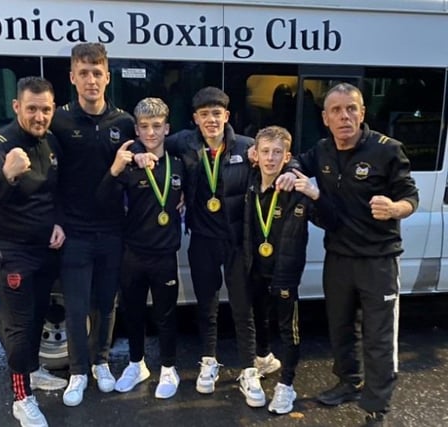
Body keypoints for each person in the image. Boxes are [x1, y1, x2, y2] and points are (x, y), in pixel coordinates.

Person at [134, 87, 294, 406]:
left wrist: (291, 173)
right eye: (204, 114)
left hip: (237, 243)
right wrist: (136, 153)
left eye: (216, 113)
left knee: (241, 306)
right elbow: (150, 139)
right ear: (195, 119)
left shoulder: (248, 147)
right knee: (206, 305)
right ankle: (209, 361)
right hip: (202, 240)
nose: (211, 120)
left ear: (227, 116)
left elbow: (281, 158)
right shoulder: (184, 142)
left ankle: (250, 369)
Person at [297, 83, 419, 426]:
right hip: (338, 257)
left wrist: (395, 207)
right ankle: (348, 383)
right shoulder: (320, 151)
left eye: (351, 108)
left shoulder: (387, 150)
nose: (344, 116)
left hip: (378, 260)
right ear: (325, 118)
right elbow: (295, 162)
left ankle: (377, 403)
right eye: (336, 110)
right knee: (339, 328)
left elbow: (411, 198)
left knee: (379, 336)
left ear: (362, 113)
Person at [0, 76, 67, 427]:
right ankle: (21, 398)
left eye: (45, 109)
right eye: (31, 109)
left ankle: (34, 370)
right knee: (20, 323)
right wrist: (6, 176)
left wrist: (57, 222)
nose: (39, 117)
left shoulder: (50, 140)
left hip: (42, 246)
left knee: (39, 311)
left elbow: (53, 194)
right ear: (16, 107)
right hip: (8, 249)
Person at [49, 42, 136, 407]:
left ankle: (101, 362)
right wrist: (55, 220)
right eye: (83, 73)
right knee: (77, 305)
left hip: (113, 230)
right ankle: (78, 372)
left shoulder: (124, 122)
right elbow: (48, 177)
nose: (91, 80)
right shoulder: (59, 120)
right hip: (75, 232)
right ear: (72, 77)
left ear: (107, 76)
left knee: (106, 301)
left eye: (97, 72)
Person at [238, 126, 337, 414]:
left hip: (285, 273)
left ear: (287, 156)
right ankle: (263, 358)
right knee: (258, 320)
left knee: (288, 329)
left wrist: (316, 194)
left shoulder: (297, 189)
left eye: (277, 152)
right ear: (255, 155)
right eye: (265, 151)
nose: (270, 158)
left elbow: (332, 222)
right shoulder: (249, 182)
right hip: (254, 268)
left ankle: (286, 385)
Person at [97, 97, 185, 399]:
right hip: (132, 253)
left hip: (165, 255)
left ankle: (169, 368)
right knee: (132, 312)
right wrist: (118, 166)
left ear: (167, 128)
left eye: (157, 126)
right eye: (145, 127)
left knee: (166, 315)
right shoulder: (130, 166)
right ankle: (137, 364)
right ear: (136, 128)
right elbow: (103, 199)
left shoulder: (180, 164)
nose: (151, 133)